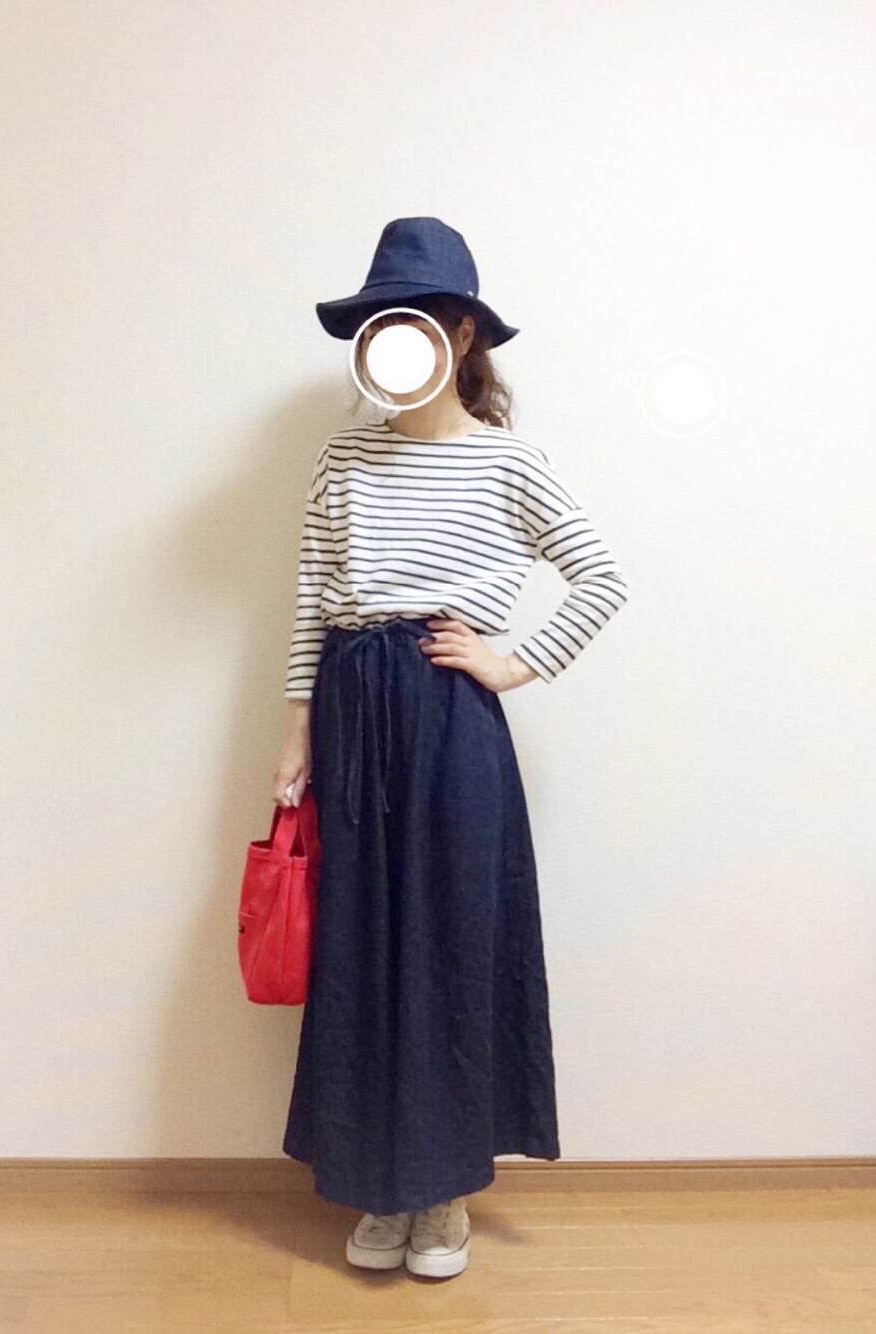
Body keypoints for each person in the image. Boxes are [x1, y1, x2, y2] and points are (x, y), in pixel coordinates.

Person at [273, 218, 629, 1278]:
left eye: (415, 320)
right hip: (353, 712)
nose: (392, 340)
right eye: (377, 324)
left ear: (461, 333)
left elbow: (602, 575)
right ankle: (381, 1190)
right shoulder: (342, 457)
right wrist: (295, 729)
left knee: (451, 944)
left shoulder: (510, 460)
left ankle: (443, 1196)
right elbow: (311, 597)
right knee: (362, 946)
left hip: (447, 718)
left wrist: (513, 663)